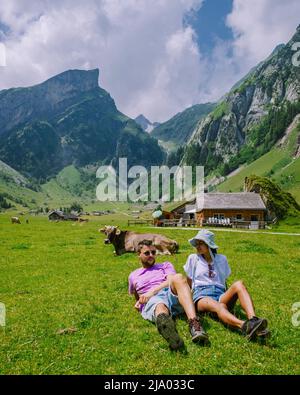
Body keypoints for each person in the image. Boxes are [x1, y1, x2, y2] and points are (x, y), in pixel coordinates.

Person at [183, 230, 270, 341]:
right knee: (220, 306)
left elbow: (223, 279)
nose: (197, 246)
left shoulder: (221, 259)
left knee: (239, 284)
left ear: (209, 244)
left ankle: (253, 320)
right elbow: (189, 282)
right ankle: (244, 326)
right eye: (196, 243)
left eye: (201, 243)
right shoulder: (193, 258)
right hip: (202, 295)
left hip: (220, 294)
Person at [128, 240, 208, 350]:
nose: (151, 255)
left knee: (178, 277)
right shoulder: (133, 275)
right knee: (160, 307)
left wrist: (152, 292)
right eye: (147, 253)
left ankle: (194, 324)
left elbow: (171, 280)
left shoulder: (165, 265)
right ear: (138, 254)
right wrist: (139, 301)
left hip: (170, 294)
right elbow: (137, 295)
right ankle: (171, 335)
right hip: (154, 300)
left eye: (153, 252)